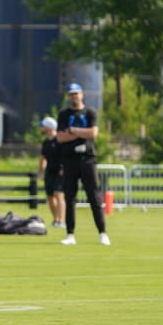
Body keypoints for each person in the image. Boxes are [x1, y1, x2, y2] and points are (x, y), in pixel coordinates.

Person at [56, 83, 110, 246]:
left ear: (82, 94)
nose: (74, 96)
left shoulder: (90, 112)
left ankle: (102, 233)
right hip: (70, 160)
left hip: (87, 159)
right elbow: (60, 138)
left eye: (76, 93)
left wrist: (72, 131)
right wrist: (80, 134)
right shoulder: (64, 115)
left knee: (94, 196)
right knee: (70, 197)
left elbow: (93, 133)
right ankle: (70, 234)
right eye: (71, 94)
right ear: (68, 97)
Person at [38, 116, 65, 228]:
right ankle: (55, 219)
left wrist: (64, 168)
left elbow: (65, 155)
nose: (41, 128)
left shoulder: (59, 140)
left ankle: (61, 221)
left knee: (59, 195)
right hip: (49, 172)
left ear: (49, 127)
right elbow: (43, 158)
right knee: (50, 197)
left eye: (43, 126)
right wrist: (41, 171)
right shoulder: (45, 142)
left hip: (60, 172)